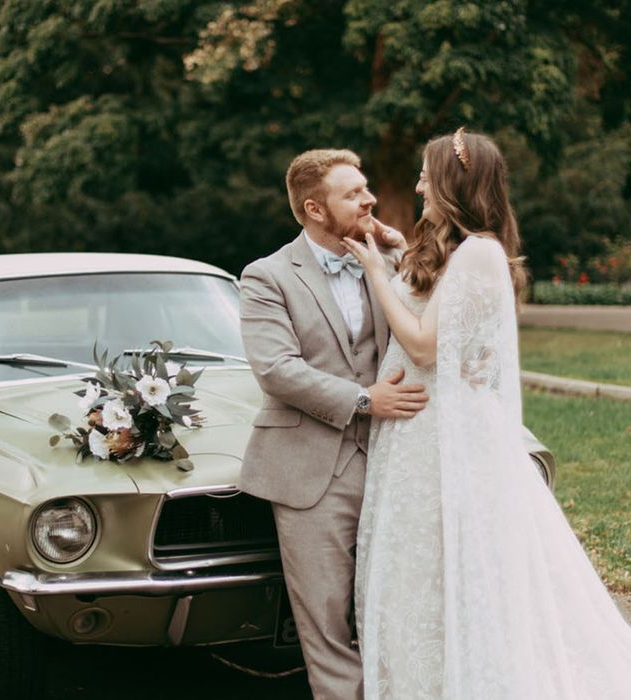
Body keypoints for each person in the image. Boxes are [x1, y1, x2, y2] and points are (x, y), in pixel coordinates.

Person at [343, 128, 631, 699]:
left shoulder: (481, 253)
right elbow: (435, 303)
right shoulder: (459, 252)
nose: (419, 182)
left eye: (428, 173)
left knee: (463, 565)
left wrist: (378, 274)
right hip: (419, 431)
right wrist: (401, 253)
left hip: (449, 435)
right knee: (422, 571)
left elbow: (426, 346)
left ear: (453, 182)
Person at [239, 148, 429, 699]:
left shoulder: (387, 260)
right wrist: (364, 400)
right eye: (353, 193)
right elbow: (277, 370)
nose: (370, 198)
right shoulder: (267, 276)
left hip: (396, 457)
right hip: (310, 470)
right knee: (325, 617)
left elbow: (440, 305)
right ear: (315, 210)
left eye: (366, 186)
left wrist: (398, 246)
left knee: (400, 599)